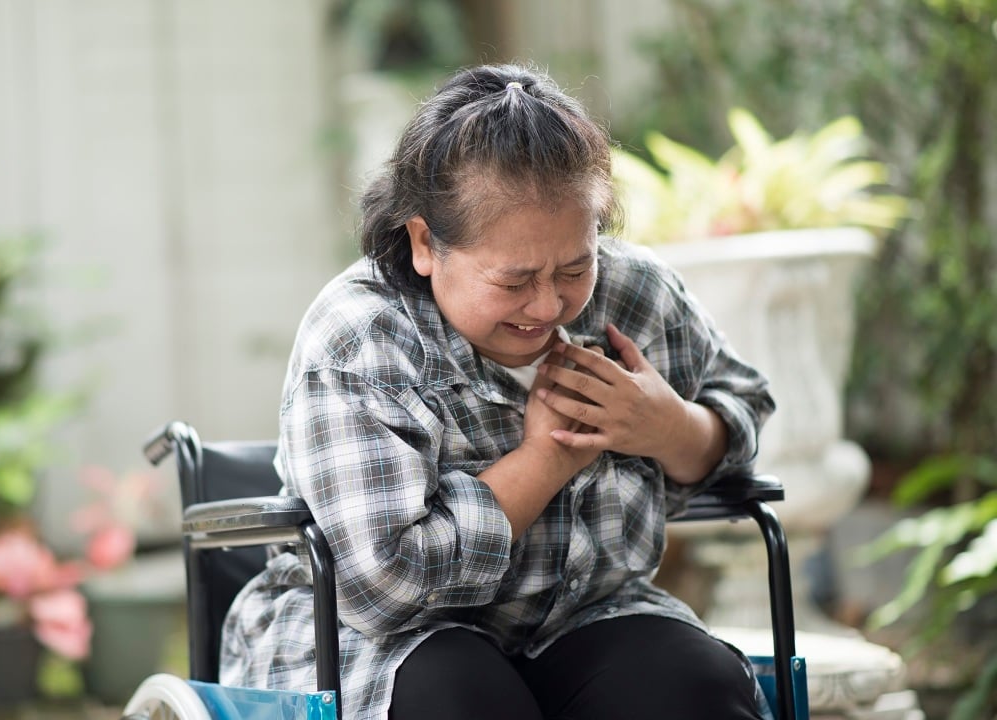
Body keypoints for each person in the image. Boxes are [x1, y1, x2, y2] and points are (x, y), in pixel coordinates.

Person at [220, 63, 777, 720]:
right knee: (465, 697)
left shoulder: (635, 294)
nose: (548, 306)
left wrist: (669, 428)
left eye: (575, 267)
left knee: (691, 686)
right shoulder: (362, 335)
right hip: (378, 641)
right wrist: (544, 461)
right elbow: (385, 587)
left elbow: (744, 404)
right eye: (514, 282)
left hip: (584, 615)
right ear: (425, 242)